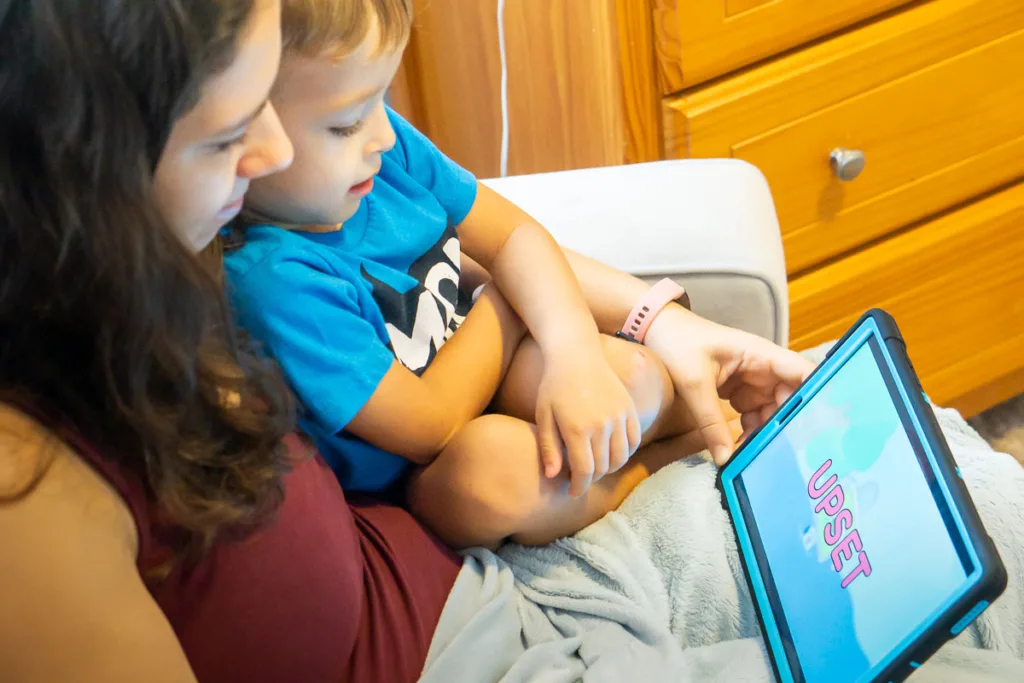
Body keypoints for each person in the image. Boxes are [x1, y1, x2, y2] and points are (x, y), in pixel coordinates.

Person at [0, 0, 822, 681]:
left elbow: (495, 239)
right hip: (482, 575)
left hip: (498, 576)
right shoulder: (42, 489)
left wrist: (657, 323)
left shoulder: (184, 253)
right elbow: (447, 374)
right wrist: (507, 299)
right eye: (228, 137)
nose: (273, 153)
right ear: (88, 175)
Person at [224, 0, 814, 548]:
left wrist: (575, 354)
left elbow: (516, 237)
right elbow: (430, 425)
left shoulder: (383, 153)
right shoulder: (276, 278)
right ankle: (649, 473)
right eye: (346, 122)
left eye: (383, 99)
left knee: (625, 372)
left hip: (491, 365)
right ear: (244, 136)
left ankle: (742, 416)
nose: (383, 134)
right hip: (428, 471)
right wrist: (505, 300)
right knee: (491, 474)